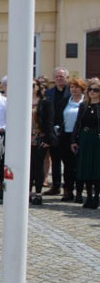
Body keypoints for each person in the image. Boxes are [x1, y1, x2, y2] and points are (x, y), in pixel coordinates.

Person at [73, 79, 100, 209]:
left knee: (96, 169)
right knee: (86, 169)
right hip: (85, 139)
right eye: (90, 90)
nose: (92, 92)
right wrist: (74, 140)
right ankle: (88, 196)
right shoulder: (83, 106)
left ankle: (96, 197)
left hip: (97, 139)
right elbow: (78, 124)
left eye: (96, 90)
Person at [44, 67, 71, 196]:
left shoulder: (71, 92)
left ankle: (68, 187)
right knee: (55, 161)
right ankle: (55, 186)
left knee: (68, 161)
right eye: (57, 77)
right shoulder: (49, 93)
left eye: (61, 76)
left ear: (67, 78)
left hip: (67, 131)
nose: (59, 79)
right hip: (53, 130)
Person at [30, 79, 55, 204]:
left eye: (33, 85)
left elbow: (49, 122)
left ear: (38, 87)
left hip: (40, 136)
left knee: (38, 166)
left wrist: (48, 139)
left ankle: (38, 193)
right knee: (27, 167)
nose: (31, 87)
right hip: (25, 138)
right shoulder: (22, 100)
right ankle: (27, 192)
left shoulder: (45, 102)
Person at [61, 78, 86, 203]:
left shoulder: (85, 103)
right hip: (66, 135)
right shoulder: (66, 101)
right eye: (71, 87)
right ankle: (68, 190)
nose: (74, 89)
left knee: (79, 165)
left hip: (80, 136)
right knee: (67, 165)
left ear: (82, 89)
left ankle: (79, 192)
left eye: (76, 87)